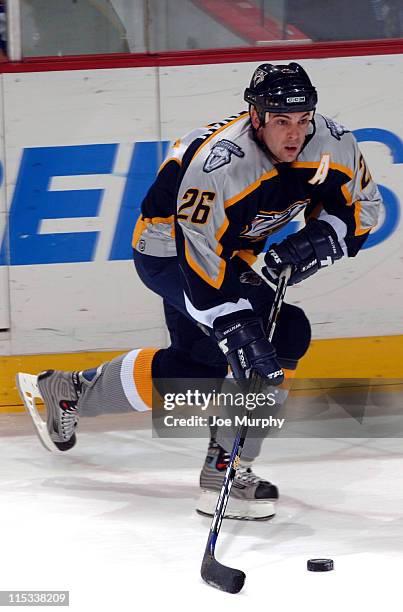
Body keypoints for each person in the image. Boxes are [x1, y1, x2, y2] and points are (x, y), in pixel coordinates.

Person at [17, 62, 381, 520]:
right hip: (170, 250)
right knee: (278, 335)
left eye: (303, 119)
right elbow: (200, 256)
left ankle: (67, 391)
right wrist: (236, 329)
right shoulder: (219, 164)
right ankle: (226, 471)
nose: (295, 133)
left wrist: (322, 239)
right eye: (281, 121)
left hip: (235, 249)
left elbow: (364, 207)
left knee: (196, 367)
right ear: (256, 117)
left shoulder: (332, 141)